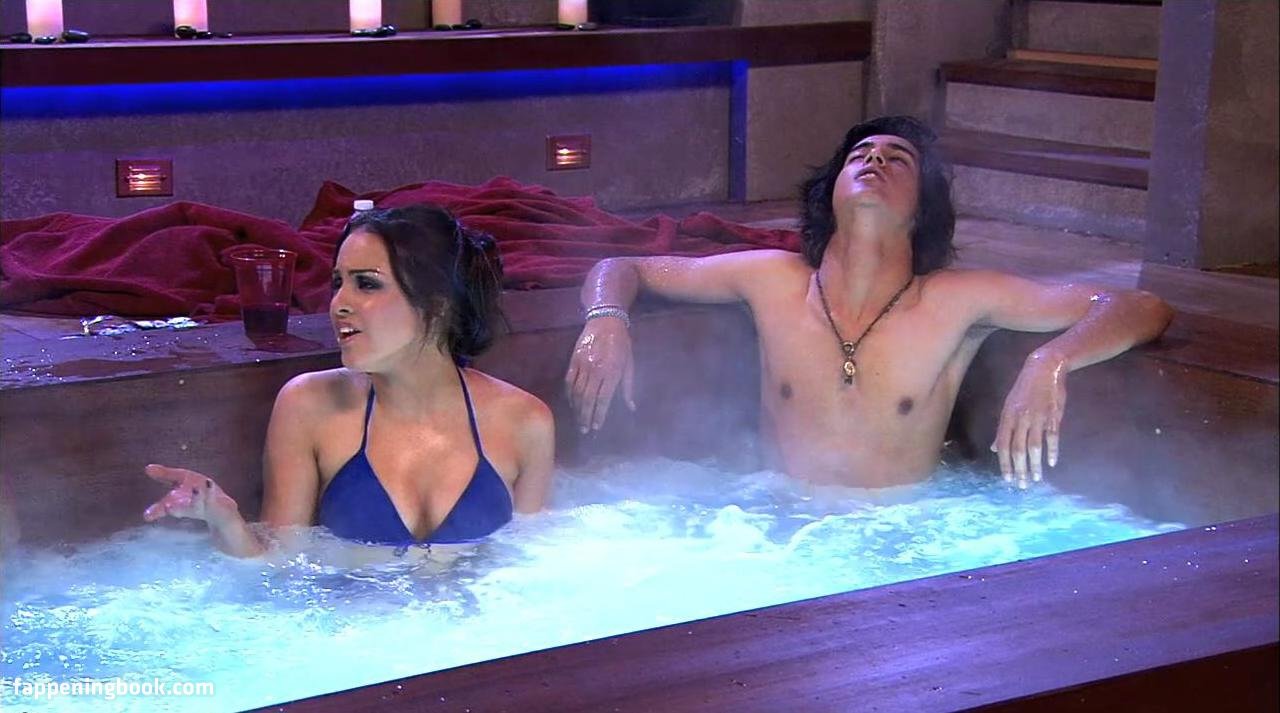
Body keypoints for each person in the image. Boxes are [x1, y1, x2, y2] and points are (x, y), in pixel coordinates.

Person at [566, 116, 1172, 490]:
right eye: (860, 156)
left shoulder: (955, 301)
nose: (875, 159)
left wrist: (1051, 361)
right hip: (767, 529)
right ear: (829, 194)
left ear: (923, 208)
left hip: (897, 538)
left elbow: (1139, 305)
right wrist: (606, 319)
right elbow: (623, 267)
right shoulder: (772, 280)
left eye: (896, 159)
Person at [144, 205, 555, 556]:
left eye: (367, 284)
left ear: (437, 306)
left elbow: (527, 572)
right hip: (347, 620)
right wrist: (225, 521)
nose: (339, 304)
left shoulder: (525, 422)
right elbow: (281, 569)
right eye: (338, 283)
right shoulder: (308, 405)